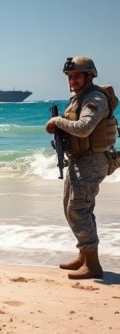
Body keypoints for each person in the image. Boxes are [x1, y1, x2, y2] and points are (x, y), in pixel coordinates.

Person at [46, 56, 118, 279]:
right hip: (79, 160)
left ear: (89, 75)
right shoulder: (78, 98)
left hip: (92, 161)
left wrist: (57, 121)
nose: (72, 80)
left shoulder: (94, 98)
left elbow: (84, 128)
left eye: (76, 76)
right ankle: (84, 256)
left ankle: (93, 265)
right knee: (72, 209)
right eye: (69, 76)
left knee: (78, 210)